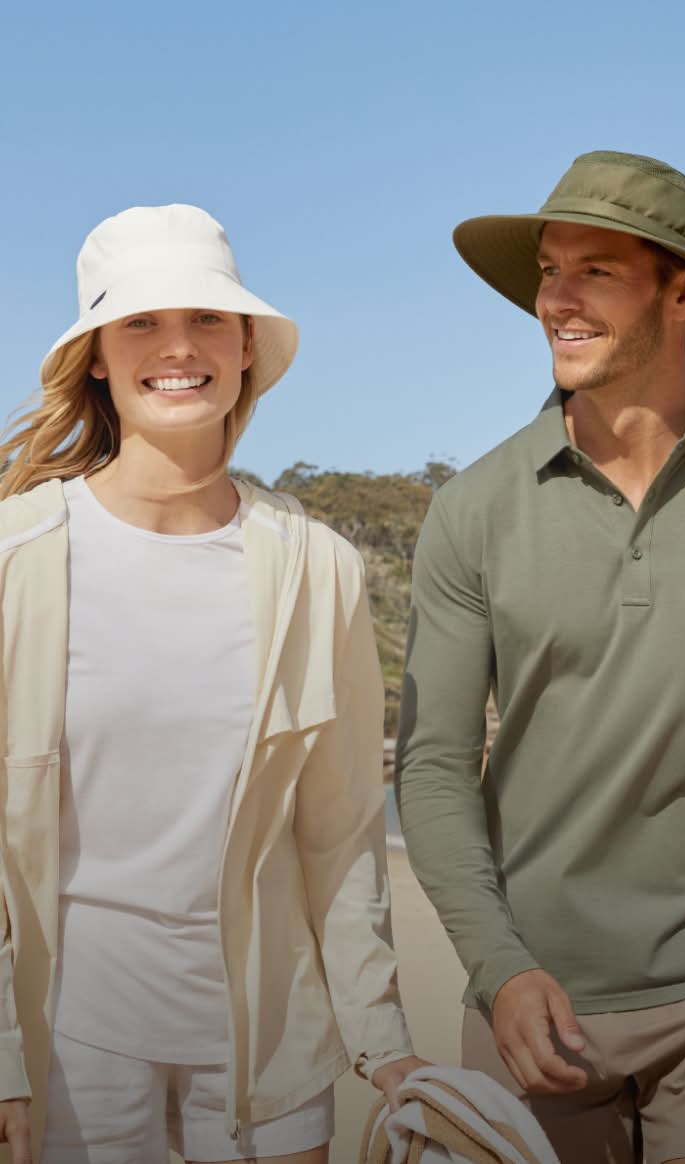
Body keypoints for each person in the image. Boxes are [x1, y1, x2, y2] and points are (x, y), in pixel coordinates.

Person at [0, 203, 424, 1164]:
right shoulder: (16, 556)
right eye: (141, 322)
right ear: (98, 357)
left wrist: (384, 1041)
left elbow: (344, 829)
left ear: (243, 349)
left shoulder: (319, 567)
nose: (177, 346)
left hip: (272, 1055)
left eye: (206, 320)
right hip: (70, 1052)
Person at [395, 150, 685, 1164]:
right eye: (548, 270)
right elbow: (432, 770)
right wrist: (497, 968)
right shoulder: (474, 509)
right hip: (535, 1004)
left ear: (684, 290)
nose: (555, 300)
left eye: (596, 271)